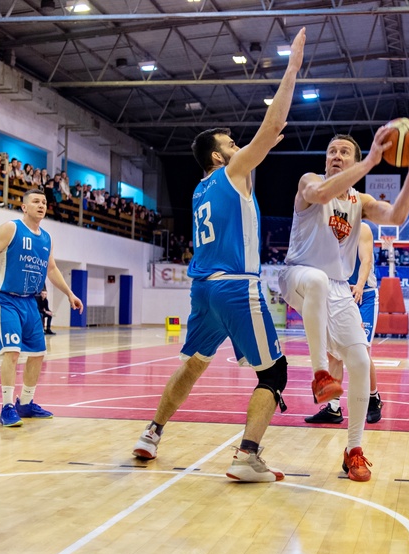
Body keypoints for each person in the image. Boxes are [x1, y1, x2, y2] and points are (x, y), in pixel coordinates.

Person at [130, 28, 307, 483]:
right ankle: (247, 455)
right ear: (217, 154)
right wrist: (291, 70)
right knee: (276, 372)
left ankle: (152, 433)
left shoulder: (198, 189)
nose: (237, 146)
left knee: (195, 362)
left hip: (203, 289)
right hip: (235, 286)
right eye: (230, 143)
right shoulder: (230, 173)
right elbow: (269, 131)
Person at [278, 126, 409, 482]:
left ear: (355, 162)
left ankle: (354, 450)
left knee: (360, 361)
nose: (336, 156)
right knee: (314, 280)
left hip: (340, 288)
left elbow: (396, 217)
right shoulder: (310, 182)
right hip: (298, 273)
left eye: (345, 152)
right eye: (332, 151)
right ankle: (319, 375)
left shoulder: (360, 202)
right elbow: (322, 190)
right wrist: (373, 160)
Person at [0, 189, 83, 426]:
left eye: (44, 202)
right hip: (6, 298)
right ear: (24, 207)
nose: (41, 205)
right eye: (36, 201)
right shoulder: (11, 228)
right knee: (12, 351)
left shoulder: (46, 238)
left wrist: (69, 293)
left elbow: (52, 269)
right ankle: (7, 406)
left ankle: (25, 403)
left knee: (38, 354)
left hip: (30, 301)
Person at [304, 225, 384, 425]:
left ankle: (373, 399)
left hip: (363, 294)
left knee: (361, 352)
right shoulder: (326, 229)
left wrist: (359, 284)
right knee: (333, 353)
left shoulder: (362, 229)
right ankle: (333, 408)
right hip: (337, 294)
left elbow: (366, 260)